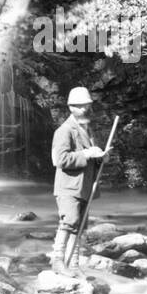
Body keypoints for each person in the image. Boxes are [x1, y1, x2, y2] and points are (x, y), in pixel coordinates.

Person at [50, 86, 106, 274]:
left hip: (84, 188)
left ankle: (73, 265)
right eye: (81, 106)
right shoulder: (64, 131)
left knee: (80, 226)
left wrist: (100, 157)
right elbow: (61, 159)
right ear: (71, 107)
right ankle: (58, 261)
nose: (85, 109)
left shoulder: (87, 130)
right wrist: (86, 154)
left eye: (87, 105)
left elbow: (90, 158)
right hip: (69, 188)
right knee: (70, 221)